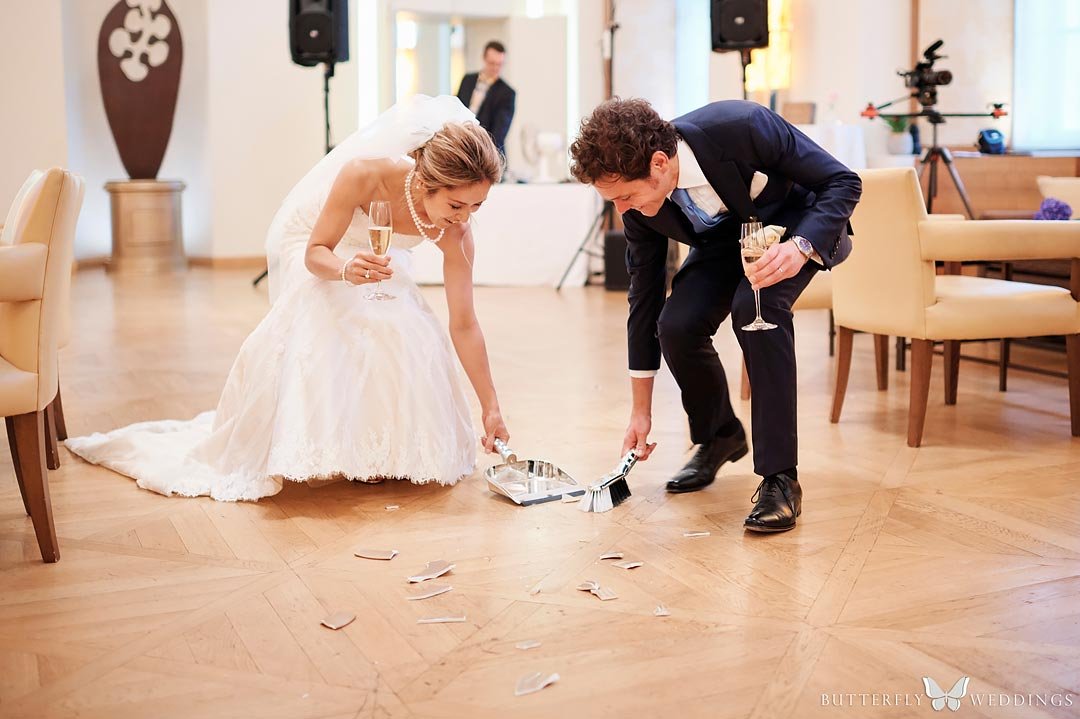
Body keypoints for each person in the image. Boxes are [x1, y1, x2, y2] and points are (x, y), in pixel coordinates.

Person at [66, 95, 510, 502]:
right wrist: (344, 269)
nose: (464, 220)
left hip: (372, 254)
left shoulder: (457, 234)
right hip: (319, 247)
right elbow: (316, 251)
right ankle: (329, 442)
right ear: (426, 183)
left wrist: (490, 405)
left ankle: (383, 449)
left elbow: (464, 323)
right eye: (457, 205)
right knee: (344, 317)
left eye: (477, 207)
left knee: (407, 323)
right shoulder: (365, 175)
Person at [569, 98, 861, 532]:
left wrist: (800, 249)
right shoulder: (637, 208)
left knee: (754, 306)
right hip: (724, 246)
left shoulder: (742, 126)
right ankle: (719, 433)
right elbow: (643, 299)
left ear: (660, 163)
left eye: (625, 196)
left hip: (798, 229)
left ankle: (780, 478)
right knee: (676, 324)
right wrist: (640, 412)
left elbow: (842, 181)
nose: (622, 210)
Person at [456, 41, 515, 158]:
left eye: (499, 64)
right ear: (484, 58)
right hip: (461, 147)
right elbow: (456, 108)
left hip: (488, 154)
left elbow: (498, 133)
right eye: (492, 63)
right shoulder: (467, 80)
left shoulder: (507, 93)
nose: (495, 68)